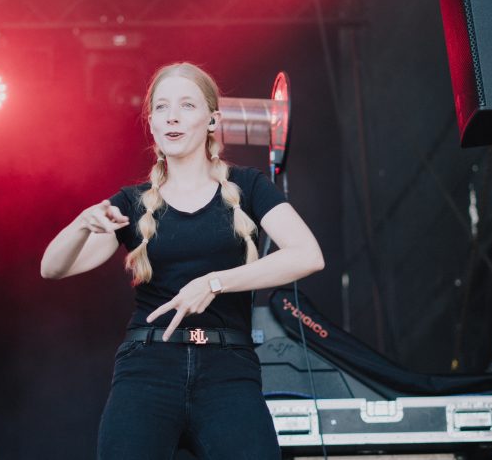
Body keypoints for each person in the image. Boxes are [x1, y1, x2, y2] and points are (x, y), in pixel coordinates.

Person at [40, 62, 325, 459]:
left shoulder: (249, 186)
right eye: (161, 107)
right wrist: (81, 224)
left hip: (228, 371)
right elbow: (52, 268)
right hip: (148, 369)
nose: (172, 116)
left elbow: (308, 255)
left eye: (187, 106)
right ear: (152, 123)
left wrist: (214, 282)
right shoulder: (131, 202)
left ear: (212, 120)